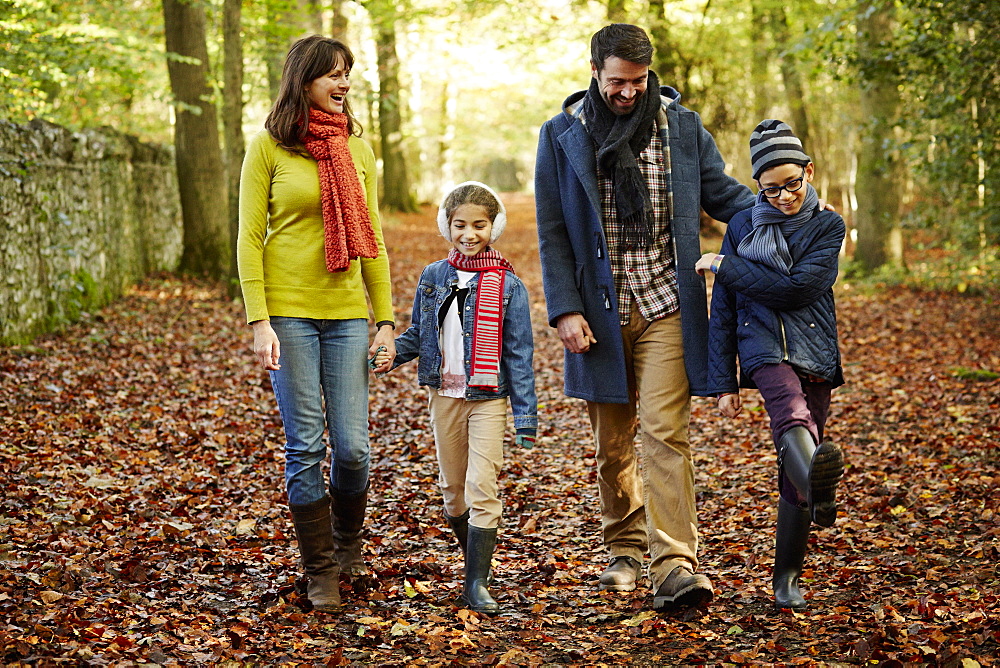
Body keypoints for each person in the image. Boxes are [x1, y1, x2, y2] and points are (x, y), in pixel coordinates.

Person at [533, 23, 755, 611]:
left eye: (637, 81)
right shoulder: (562, 134)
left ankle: (676, 563)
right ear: (594, 72)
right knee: (613, 445)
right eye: (616, 83)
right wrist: (564, 309)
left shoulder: (680, 127)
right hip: (600, 313)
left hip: (669, 303)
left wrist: (787, 211)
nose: (627, 93)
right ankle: (624, 548)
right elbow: (552, 230)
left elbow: (723, 196)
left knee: (664, 435)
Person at [237, 35, 396, 613]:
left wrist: (385, 320)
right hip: (289, 312)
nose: (343, 83)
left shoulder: (359, 148)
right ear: (302, 80)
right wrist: (260, 320)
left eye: (347, 73)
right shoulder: (270, 148)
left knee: (353, 449)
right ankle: (320, 568)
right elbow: (249, 238)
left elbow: (372, 236)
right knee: (305, 445)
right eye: (331, 74)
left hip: (348, 312)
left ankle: (347, 540)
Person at [695, 120, 846, 610]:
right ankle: (816, 490)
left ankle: (787, 578)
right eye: (771, 188)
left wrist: (727, 265)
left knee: (800, 456)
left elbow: (799, 287)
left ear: (809, 170)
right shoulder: (742, 226)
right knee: (789, 413)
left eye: (792, 184)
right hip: (761, 343)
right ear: (757, 185)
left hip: (815, 345)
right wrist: (724, 383)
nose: (783, 196)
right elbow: (726, 310)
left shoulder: (829, 225)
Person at [387, 182, 537, 614]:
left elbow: (519, 355)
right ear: (446, 226)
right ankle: (476, 562)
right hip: (444, 394)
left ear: (494, 227)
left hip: (488, 397)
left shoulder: (509, 286)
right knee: (454, 492)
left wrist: (525, 416)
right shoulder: (434, 276)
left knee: (481, 486)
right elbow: (418, 333)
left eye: (479, 225)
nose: (469, 234)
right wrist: (387, 354)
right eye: (460, 225)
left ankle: (476, 584)